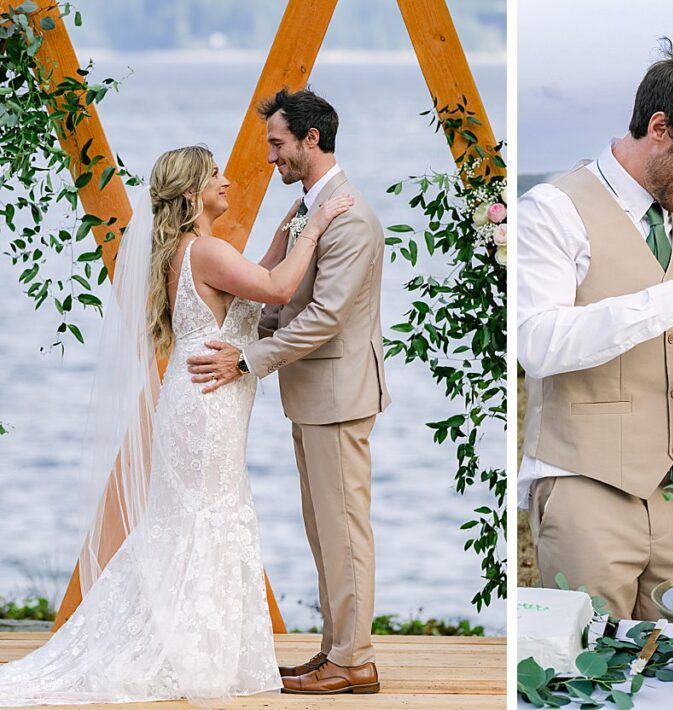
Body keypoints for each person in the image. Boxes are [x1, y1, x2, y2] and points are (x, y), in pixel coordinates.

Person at [0, 145, 350, 704]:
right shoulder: (206, 250)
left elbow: (255, 277)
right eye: (216, 174)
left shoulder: (189, 251)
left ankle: (192, 646)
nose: (228, 180)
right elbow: (278, 289)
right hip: (208, 405)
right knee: (206, 519)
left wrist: (289, 222)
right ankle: (192, 655)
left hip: (197, 403)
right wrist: (318, 225)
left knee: (194, 521)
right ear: (193, 192)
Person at [517, 42, 673, 620]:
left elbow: (653, 331)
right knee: (583, 678)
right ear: (659, 127)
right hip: (586, 488)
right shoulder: (551, 209)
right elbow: (537, 344)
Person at [185, 88, 390, 694]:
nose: (270, 157)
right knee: (325, 526)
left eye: (277, 144)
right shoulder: (308, 210)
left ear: (311, 139)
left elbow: (325, 317)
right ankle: (334, 649)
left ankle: (354, 660)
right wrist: (254, 328)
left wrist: (247, 358)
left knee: (345, 528)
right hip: (315, 393)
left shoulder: (349, 218)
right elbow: (287, 298)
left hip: (339, 395)